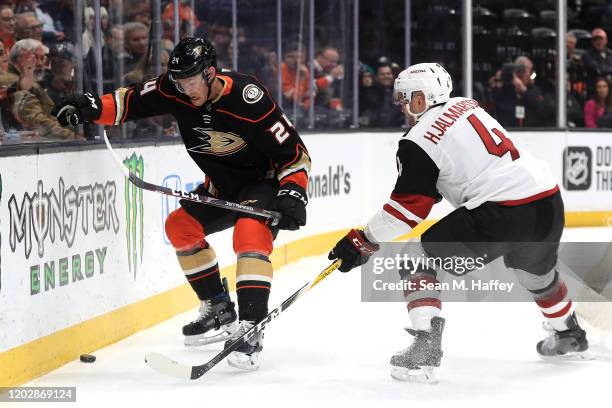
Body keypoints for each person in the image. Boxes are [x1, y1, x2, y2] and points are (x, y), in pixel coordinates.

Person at [51, 37, 311, 370]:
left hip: (263, 182)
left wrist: (293, 193)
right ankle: (218, 307)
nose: (185, 88)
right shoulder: (174, 88)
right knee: (180, 226)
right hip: (221, 187)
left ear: (210, 73)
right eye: (179, 80)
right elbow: (131, 100)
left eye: (191, 79)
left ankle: (251, 327)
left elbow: (295, 155)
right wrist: (91, 108)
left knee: (248, 233)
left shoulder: (248, 98)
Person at [328, 63, 590, 383]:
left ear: (422, 98)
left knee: (416, 257)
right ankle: (569, 334)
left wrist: (363, 238)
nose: (402, 105)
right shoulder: (466, 104)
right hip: (546, 199)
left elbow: (407, 211)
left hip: (502, 211)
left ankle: (425, 348)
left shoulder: (418, 139)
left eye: (406, 98)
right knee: (536, 274)